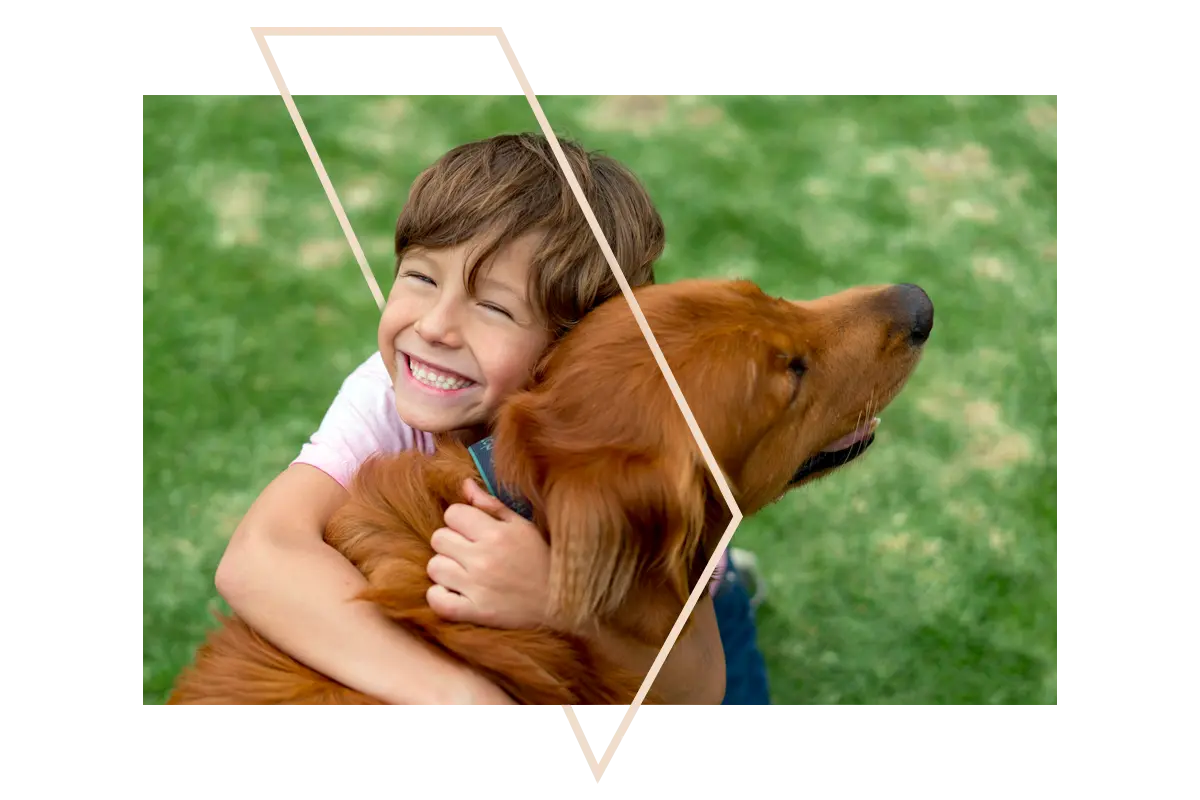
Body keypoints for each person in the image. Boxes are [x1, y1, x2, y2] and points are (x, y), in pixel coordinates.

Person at [213, 131, 764, 707]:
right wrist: (459, 698)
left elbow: (696, 693)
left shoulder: (633, 441)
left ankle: (733, 585)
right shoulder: (385, 391)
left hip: (652, 606)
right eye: (421, 277)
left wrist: (558, 601)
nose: (433, 327)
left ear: (569, 352)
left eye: (494, 307)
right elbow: (260, 554)